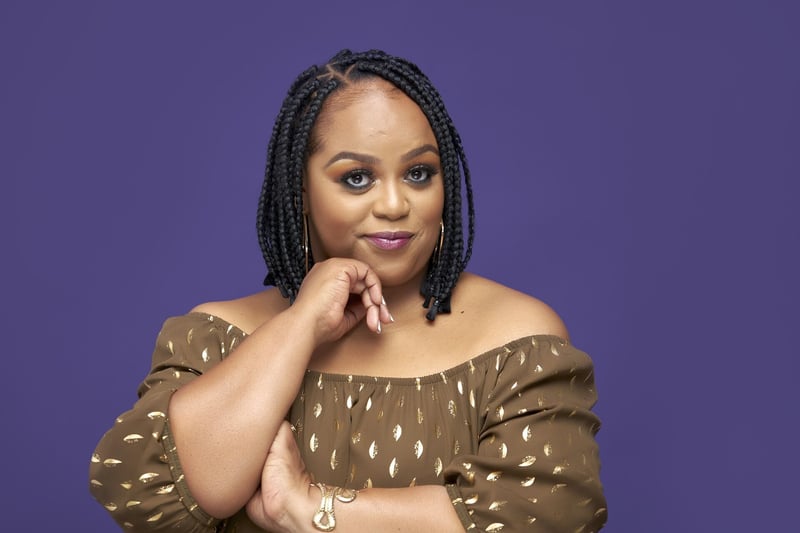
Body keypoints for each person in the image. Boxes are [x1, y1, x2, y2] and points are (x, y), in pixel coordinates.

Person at [89, 49, 607, 532]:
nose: (394, 204)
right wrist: (301, 324)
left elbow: (544, 515)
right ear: (301, 193)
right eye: (357, 177)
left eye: (419, 173)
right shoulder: (218, 336)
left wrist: (308, 507)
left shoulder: (518, 340)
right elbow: (150, 494)